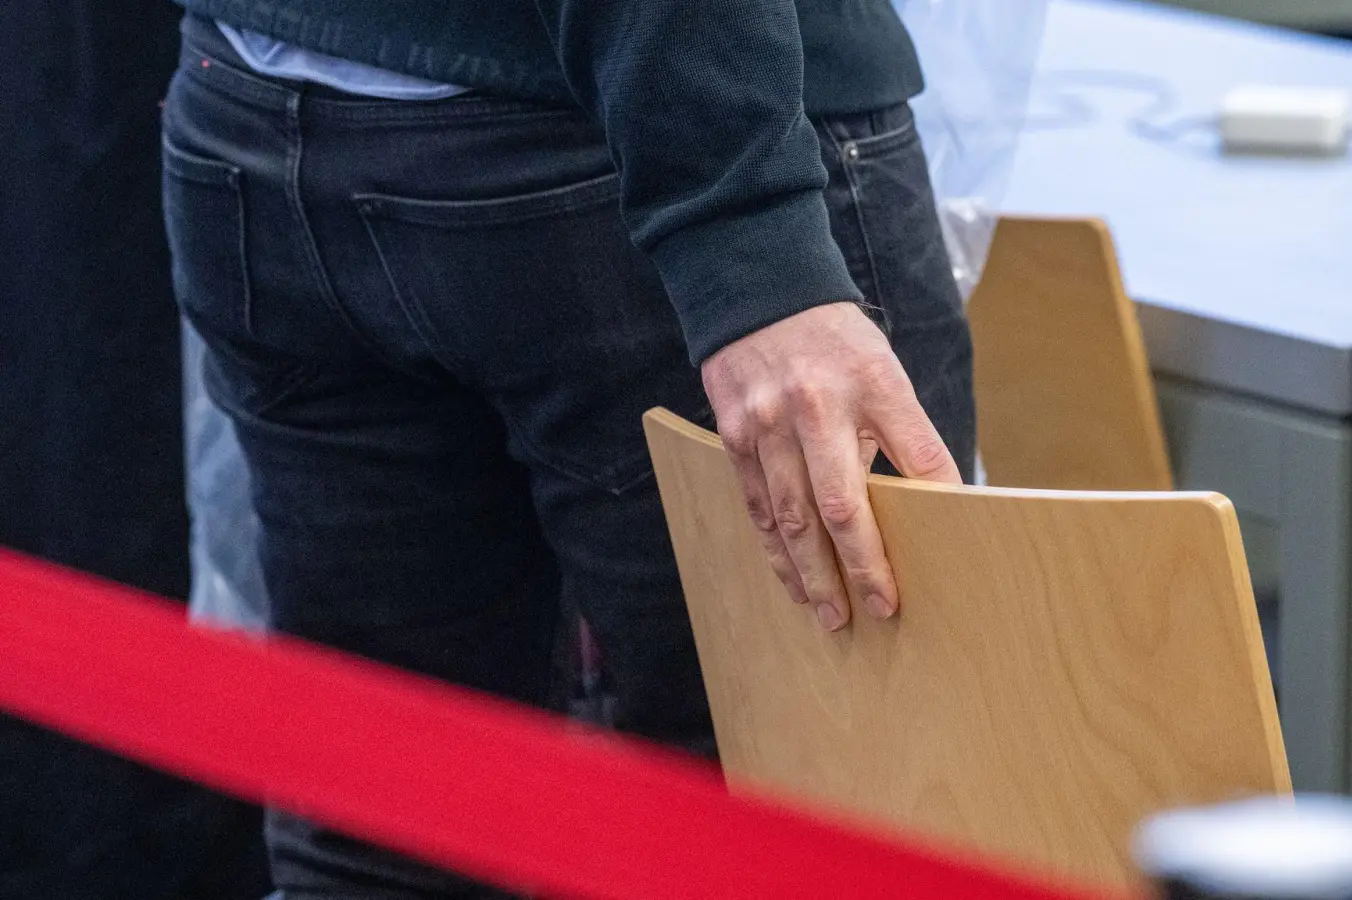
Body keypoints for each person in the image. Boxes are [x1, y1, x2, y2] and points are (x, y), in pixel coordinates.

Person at [162, 0, 975, 895]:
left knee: (389, 834)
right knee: (828, 814)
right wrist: (754, 247)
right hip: (632, 137)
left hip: (262, 104)